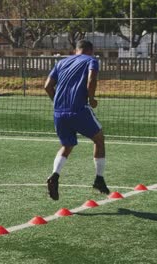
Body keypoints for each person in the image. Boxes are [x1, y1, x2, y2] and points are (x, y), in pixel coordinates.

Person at [44, 40, 109, 200]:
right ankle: (99, 179)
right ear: (90, 50)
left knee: (67, 146)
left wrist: (57, 102)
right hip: (79, 109)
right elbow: (92, 79)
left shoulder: (61, 62)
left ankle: (55, 175)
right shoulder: (91, 60)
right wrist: (91, 98)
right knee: (99, 139)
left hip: (59, 112)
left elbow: (47, 86)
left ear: (76, 50)